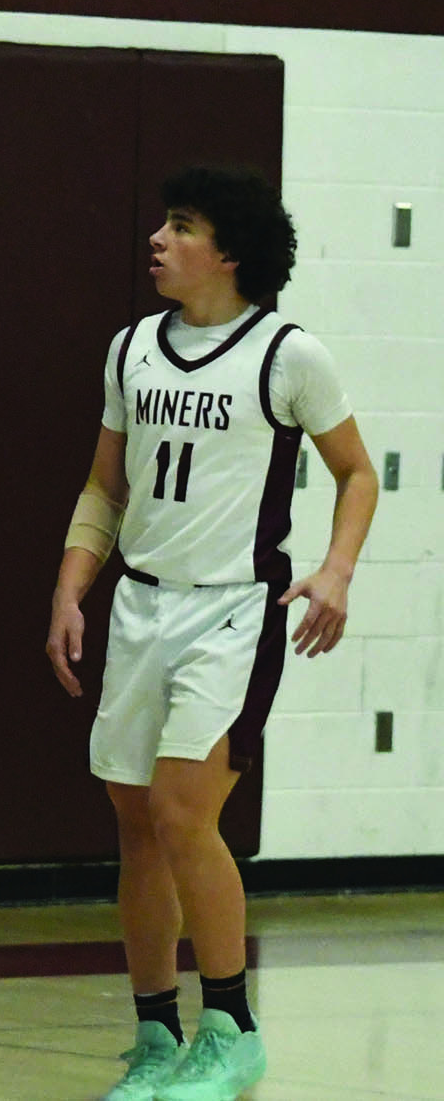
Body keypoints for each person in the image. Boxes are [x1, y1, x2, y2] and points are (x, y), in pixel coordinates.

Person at [45, 167, 377, 1101]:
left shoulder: (289, 354)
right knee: (137, 825)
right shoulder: (131, 350)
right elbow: (105, 487)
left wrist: (336, 570)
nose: (158, 238)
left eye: (181, 226)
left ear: (229, 252)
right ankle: (157, 1034)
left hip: (233, 610)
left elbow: (357, 473)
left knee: (185, 813)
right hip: (140, 606)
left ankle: (231, 1028)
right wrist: (71, 589)